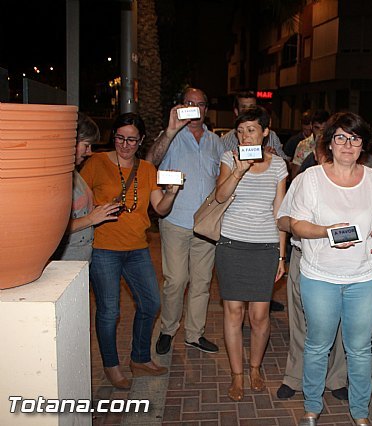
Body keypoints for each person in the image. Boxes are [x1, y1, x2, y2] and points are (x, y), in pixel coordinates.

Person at [289, 112, 372, 426]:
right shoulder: (311, 178)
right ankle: (311, 406)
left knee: (359, 348)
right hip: (320, 275)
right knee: (318, 344)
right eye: (340, 137)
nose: (347, 144)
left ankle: (360, 413)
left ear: (363, 145)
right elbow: (297, 225)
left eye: (354, 138)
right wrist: (327, 232)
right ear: (329, 143)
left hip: (366, 275)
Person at [80, 112, 180, 389]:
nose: (125, 145)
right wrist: (88, 217)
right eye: (120, 138)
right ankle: (112, 366)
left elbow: (159, 208)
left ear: (142, 141)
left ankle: (139, 358)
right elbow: (77, 198)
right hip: (104, 248)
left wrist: (171, 193)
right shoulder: (97, 162)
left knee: (151, 303)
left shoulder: (147, 170)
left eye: (132, 140)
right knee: (109, 311)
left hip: (137, 248)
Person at [213, 105, 288, 401]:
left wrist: (281, 255)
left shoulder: (279, 165)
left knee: (259, 315)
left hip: (265, 246)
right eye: (240, 131)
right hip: (231, 244)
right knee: (233, 312)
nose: (244, 136)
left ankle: (255, 367)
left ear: (265, 132)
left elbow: (280, 212)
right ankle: (237, 375)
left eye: (251, 130)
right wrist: (239, 171)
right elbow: (220, 195)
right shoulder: (229, 159)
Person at [145, 87, 225, 355]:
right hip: (175, 221)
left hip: (206, 225)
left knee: (202, 283)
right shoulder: (170, 137)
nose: (195, 108)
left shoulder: (216, 141)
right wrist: (169, 130)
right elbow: (149, 163)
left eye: (200, 104)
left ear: (206, 109)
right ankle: (168, 329)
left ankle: (194, 334)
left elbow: (223, 177)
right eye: (189, 103)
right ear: (180, 106)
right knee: (176, 280)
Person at [275, 144, 348, 402]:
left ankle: (336, 378)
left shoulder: (353, 183)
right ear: (317, 154)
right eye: (325, 152)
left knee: (339, 322)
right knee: (300, 322)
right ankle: (294, 377)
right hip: (304, 257)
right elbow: (282, 218)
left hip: (341, 262)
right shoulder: (304, 180)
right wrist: (300, 224)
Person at [53, 113, 121, 261]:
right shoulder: (58, 177)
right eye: (86, 145)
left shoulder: (74, 172)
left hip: (80, 259)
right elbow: (54, 228)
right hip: (67, 263)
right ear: (72, 142)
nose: (90, 152)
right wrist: (91, 219)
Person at [221, 90, 289, 160]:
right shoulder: (225, 141)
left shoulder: (271, 136)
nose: (248, 111)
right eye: (244, 108)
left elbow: (286, 163)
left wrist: (275, 157)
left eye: (252, 107)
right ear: (236, 111)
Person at [290, 109, 330, 179]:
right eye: (317, 128)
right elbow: (294, 176)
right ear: (311, 126)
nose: (319, 132)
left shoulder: (332, 145)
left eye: (323, 129)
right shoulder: (303, 145)